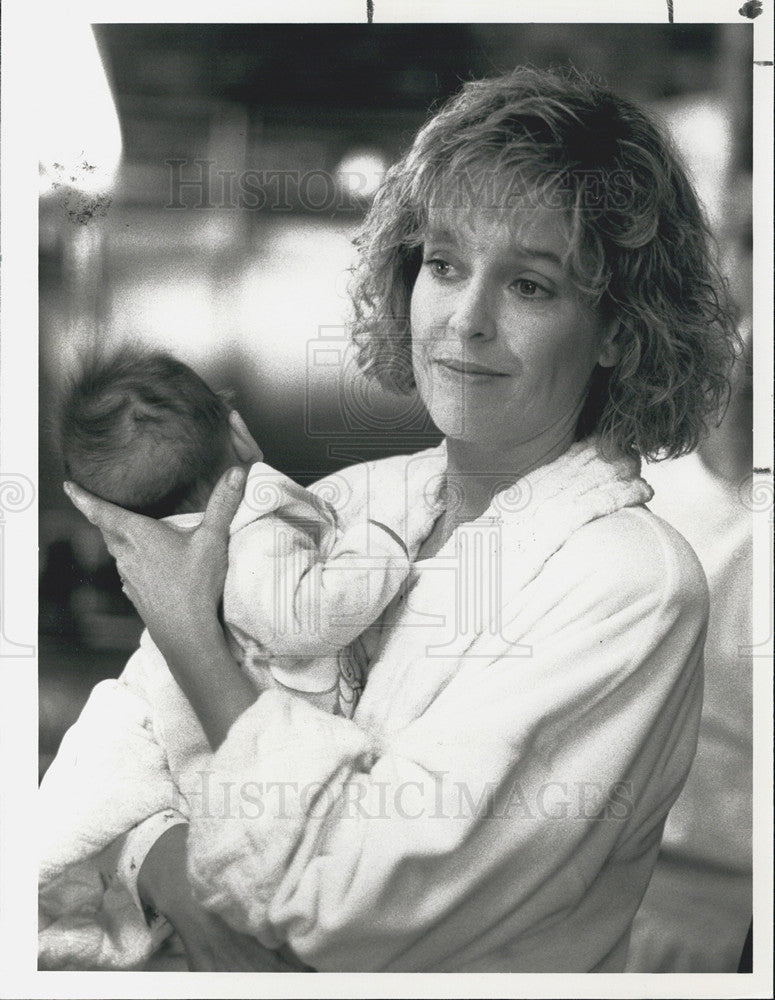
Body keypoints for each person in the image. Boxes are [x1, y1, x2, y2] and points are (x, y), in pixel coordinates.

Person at [55, 66, 738, 972]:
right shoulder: (352, 497)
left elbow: (358, 907)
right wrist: (165, 866)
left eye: (529, 286)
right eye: (445, 265)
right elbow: (116, 757)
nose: (465, 320)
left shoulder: (631, 584)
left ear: (619, 327)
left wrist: (191, 639)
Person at [39, 348, 411, 969]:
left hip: (237, 840)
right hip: (278, 837)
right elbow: (308, 619)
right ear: (238, 430)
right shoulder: (260, 526)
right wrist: (386, 549)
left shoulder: (178, 581)